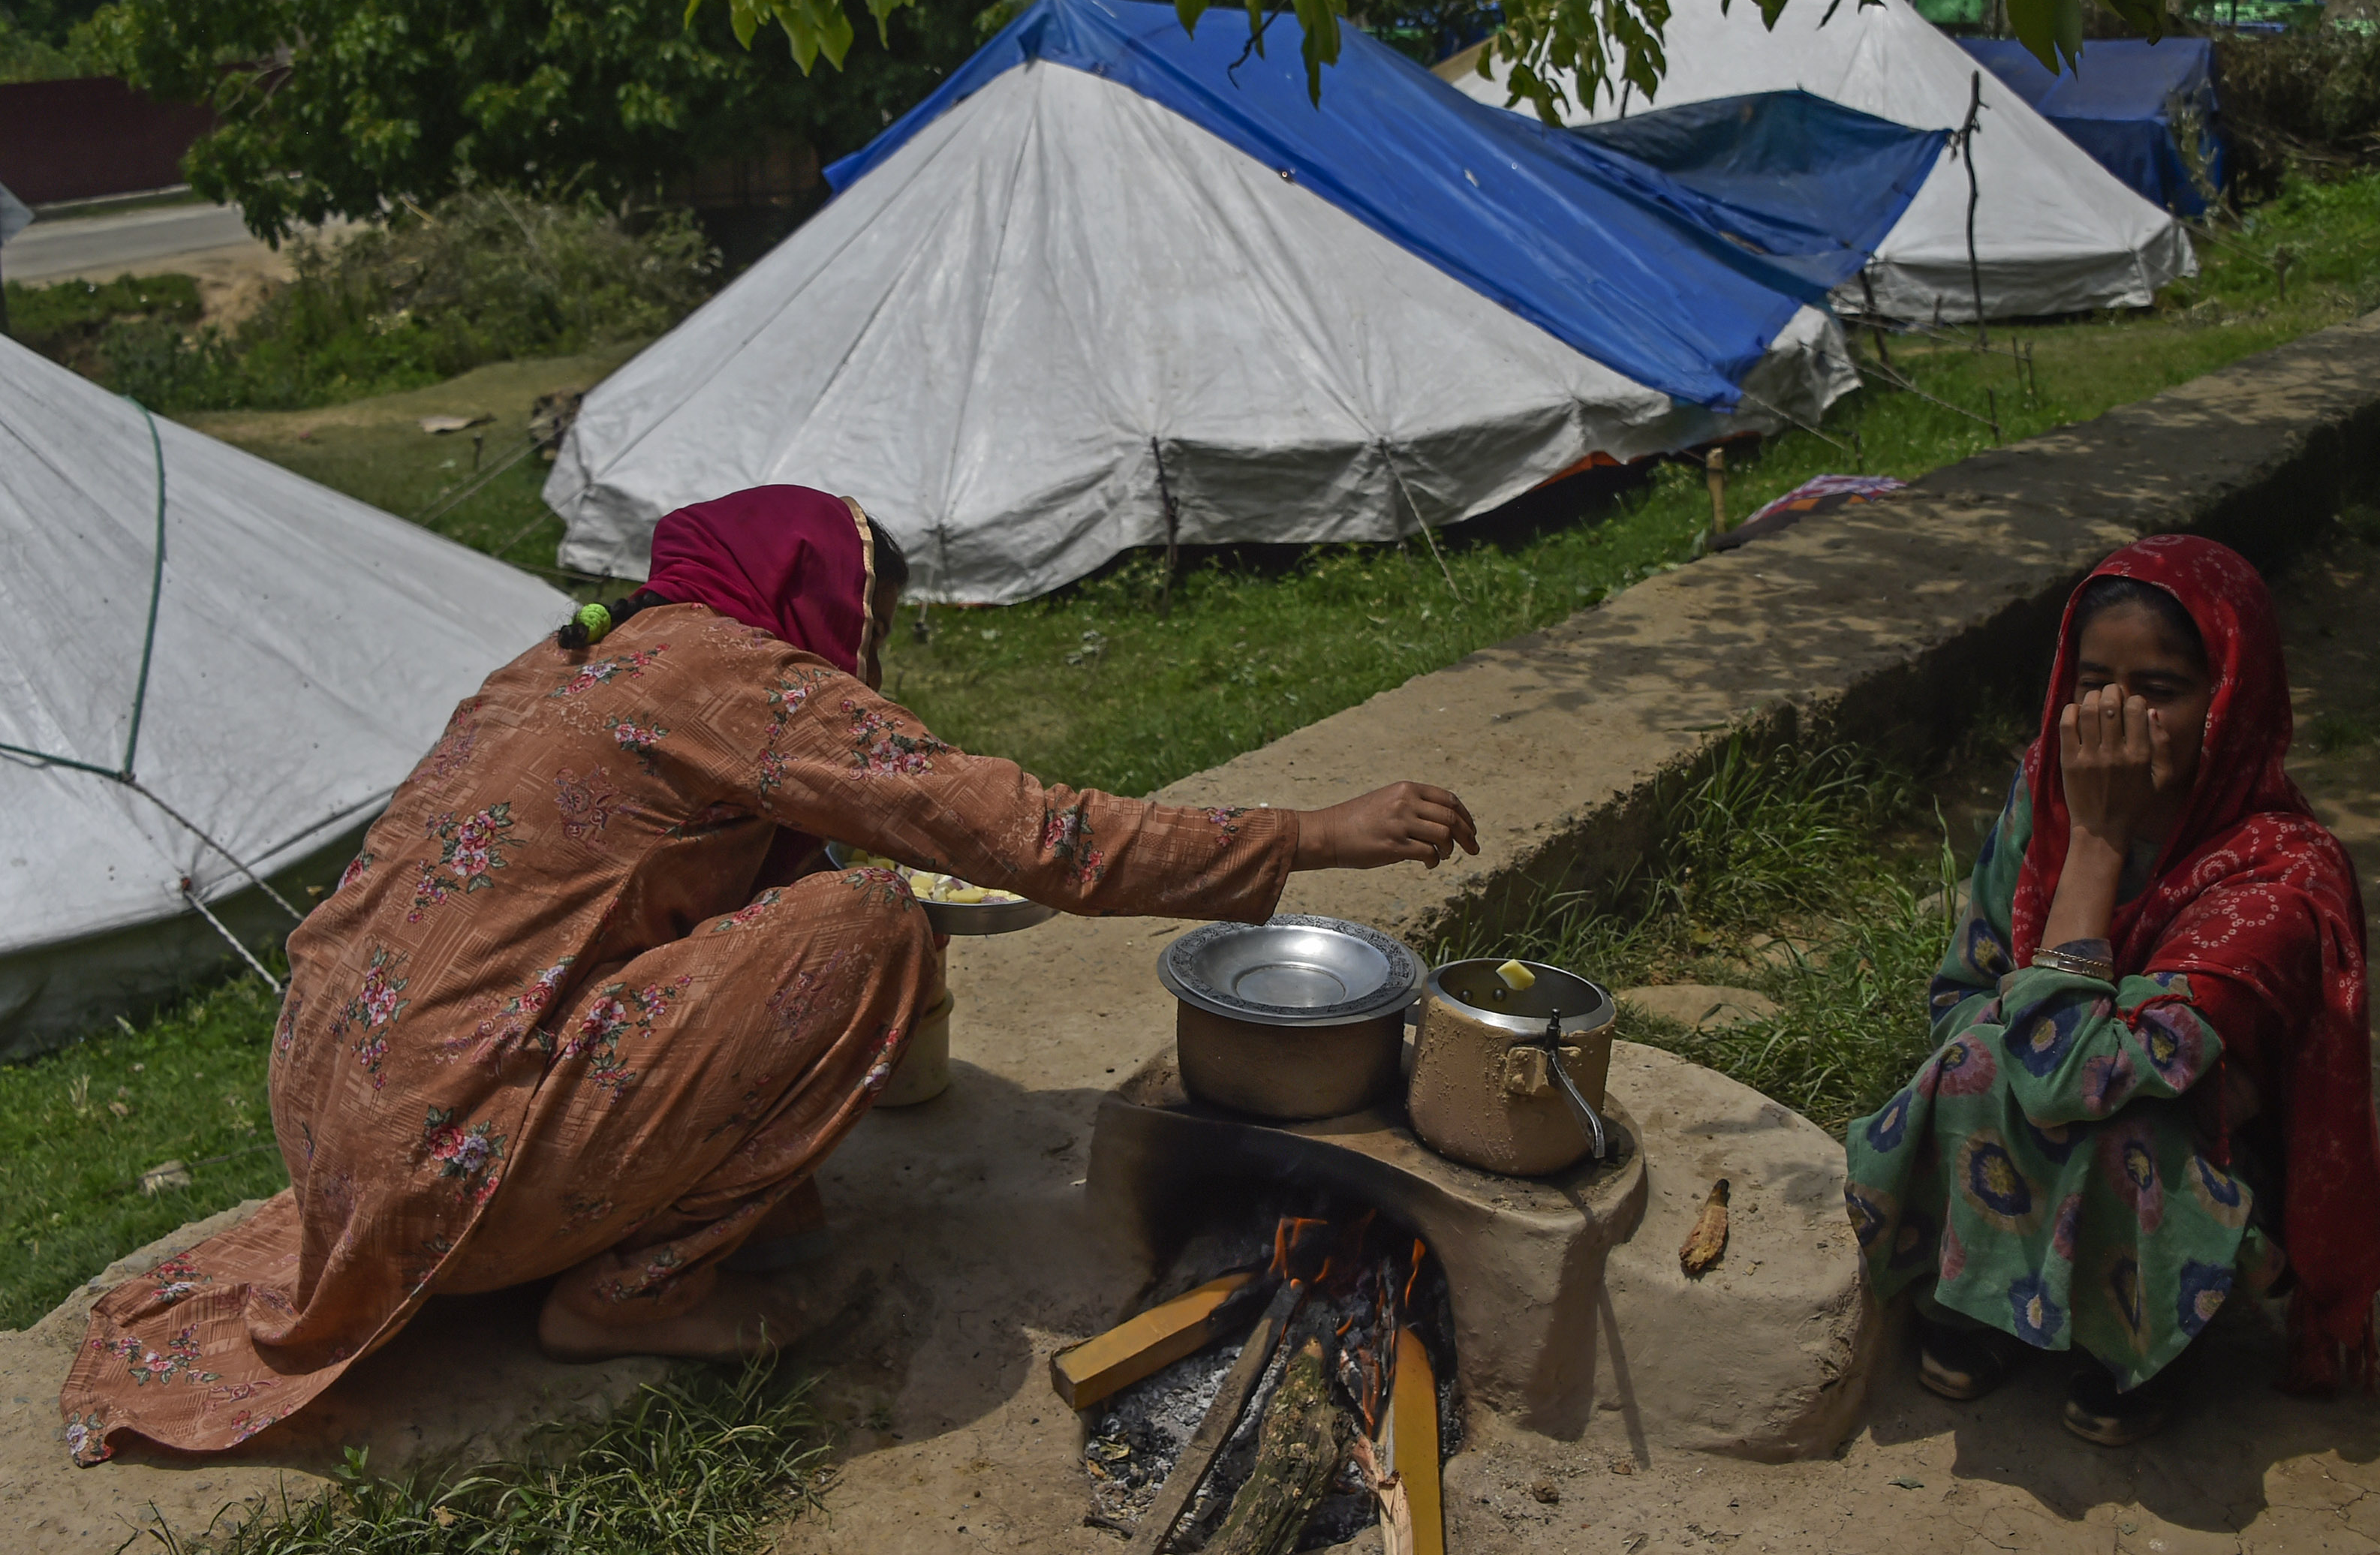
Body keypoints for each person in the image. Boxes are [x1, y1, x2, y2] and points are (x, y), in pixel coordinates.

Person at [60, 485, 1479, 1466]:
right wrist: (1308, 832)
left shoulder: (579, 654)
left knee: (789, 902)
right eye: (869, 629)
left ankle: (598, 1214)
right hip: (453, 1153)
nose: (866, 661)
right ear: (818, 599)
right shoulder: (746, 682)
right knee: (866, 923)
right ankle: (626, 1298)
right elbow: (1025, 829)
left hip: (338, 1127)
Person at [1843, 534, 2380, 1445]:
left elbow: (2076, 1079)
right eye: (2093, 682)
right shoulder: (2045, 792)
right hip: (2068, 1093)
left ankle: (2134, 1341)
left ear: (2231, 700)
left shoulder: (2280, 879)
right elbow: (1961, 995)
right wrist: (2045, 1020)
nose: (2116, 718)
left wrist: (2096, 844)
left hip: (2197, 1161)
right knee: (1981, 1057)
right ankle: (1993, 1292)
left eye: (2161, 691)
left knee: (2123, 1113)